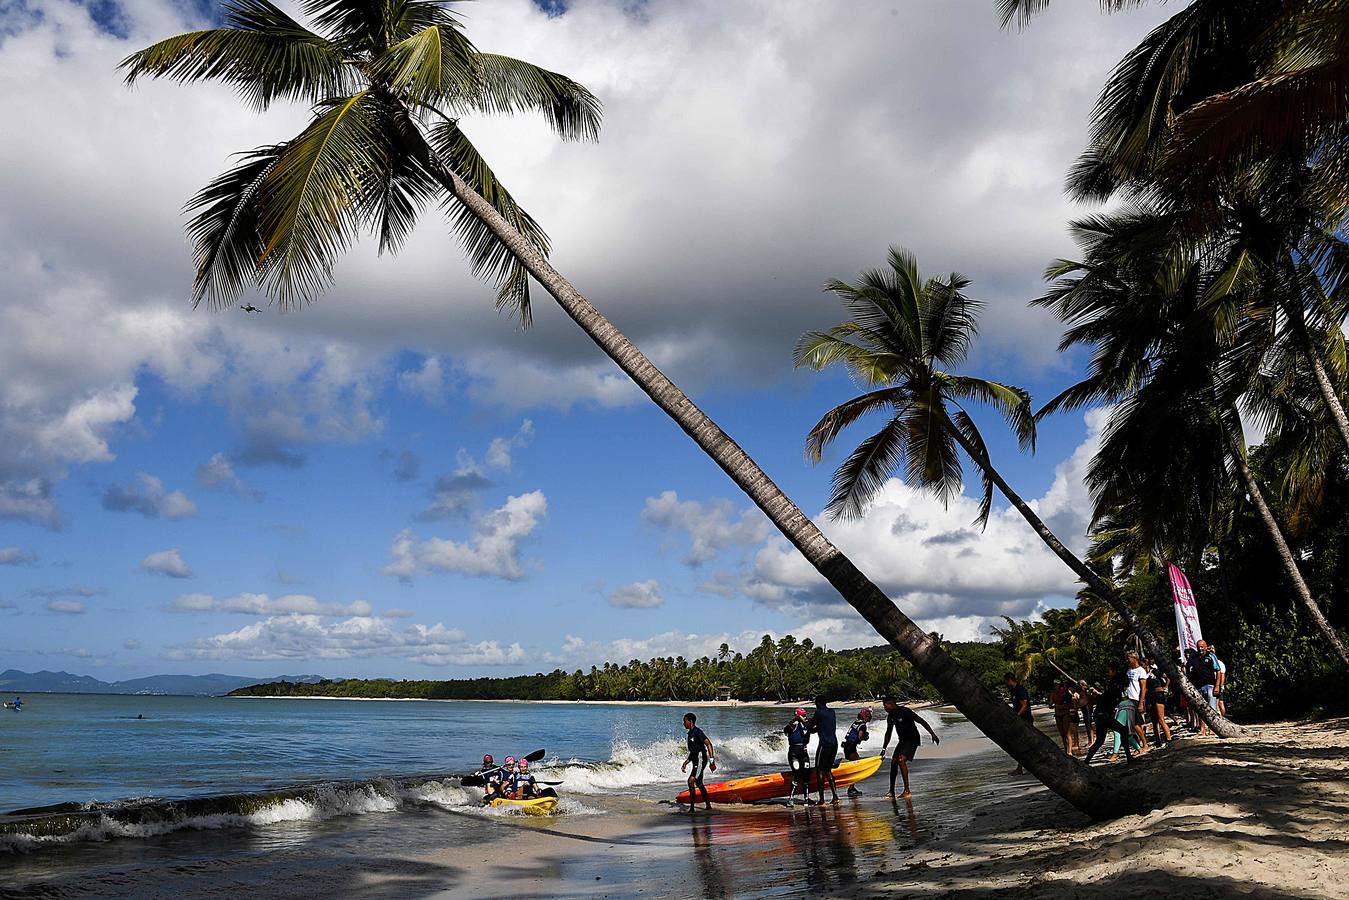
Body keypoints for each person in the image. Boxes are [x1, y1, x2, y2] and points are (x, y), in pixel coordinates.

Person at [879, 696, 939, 799]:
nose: (885, 708)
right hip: (902, 741)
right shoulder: (891, 716)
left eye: (885, 706)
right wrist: (884, 748)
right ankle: (891, 791)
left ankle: (907, 790)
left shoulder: (905, 711)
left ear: (892, 703)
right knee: (893, 762)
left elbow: (921, 721)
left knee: (901, 760)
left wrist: (932, 734)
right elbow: (888, 733)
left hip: (912, 739)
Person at [1083, 662, 1134, 765]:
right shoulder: (1115, 689)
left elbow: (1105, 698)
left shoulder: (1113, 688)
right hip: (1103, 715)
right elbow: (1108, 698)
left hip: (1100, 715)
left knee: (1100, 741)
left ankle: (1086, 761)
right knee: (1123, 731)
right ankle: (1129, 757)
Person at [806, 697, 840, 804]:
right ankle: (835, 797)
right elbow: (823, 726)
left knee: (819, 770)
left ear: (818, 703)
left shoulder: (819, 713)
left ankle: (821, 800)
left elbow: (810, 726)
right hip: (834, 743)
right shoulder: (832, 712)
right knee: (827, 770)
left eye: (816, 703)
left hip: (824, 745)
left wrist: (801, 720)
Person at [681, 712, 715, 812]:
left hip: (701, 759)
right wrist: (686, 762)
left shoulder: (698, 732)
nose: (683, 723)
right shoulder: (690, 734)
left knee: (691, 781)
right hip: (696, 759)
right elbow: (693, 751)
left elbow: (709, 744)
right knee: (699, 783)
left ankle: (692, 809)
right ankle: (708, 806)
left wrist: (711, 761)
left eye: (685, 721)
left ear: (690, 721)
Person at [1004, 674, 1033, 775]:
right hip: (1021, 719)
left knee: (1024, 744)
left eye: (1006, 681)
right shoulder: (1014, 691)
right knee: (1021, 744)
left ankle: (1020, 768)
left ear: (1010, 680)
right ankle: (1020, 767)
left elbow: (1024, 705)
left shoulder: (1019, 690)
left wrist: (1017, 717)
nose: (1006, 684)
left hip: (1025, 720)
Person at [842, 707, 872, 796]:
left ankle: (852, 788)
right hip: (851, 747)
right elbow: (860, 737)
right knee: (856, 768)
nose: (870, 718)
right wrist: (866, 737)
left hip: (847, 746)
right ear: (865, 717)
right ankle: (851, 789)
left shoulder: (856, 722)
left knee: (854, 766)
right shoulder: (862, 725)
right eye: (869, 717)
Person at [783, 707, 811, 804]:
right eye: (803, 715)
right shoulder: (792, 725)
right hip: (794, 753)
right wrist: (795, 720)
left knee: (806, 774)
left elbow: (814, 728)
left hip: (804, 753)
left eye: (805, 715)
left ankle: (806, 798)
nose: (805, 717)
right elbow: (785, 730)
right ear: (797, 715)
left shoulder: (807, 724)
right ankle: (790, 799)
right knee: (797, 775)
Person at [1124, 651, 1150, 755]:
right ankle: (1138, 746)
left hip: (1135, 698)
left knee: (1136, 724)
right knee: (1131, 725)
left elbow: (1143, 688)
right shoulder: (1129, 670)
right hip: (1128, 698)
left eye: (1128, 658)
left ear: (1134, 658)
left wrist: (1141, 702)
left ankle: (1145, 744)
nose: (1127, 660)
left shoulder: (1141, 671)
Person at [1144, 656, 1172, 746]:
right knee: (1154, 720)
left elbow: (1168, 678)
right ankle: (1158, 740)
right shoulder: (1143, 675)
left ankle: (1168, 738)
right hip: (1149, 697)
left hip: (1158, 696)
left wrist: (1165, 688)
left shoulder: (1155, 672)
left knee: (1161, 719)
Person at [1049, 680, 1079, 755]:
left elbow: (1070, 705)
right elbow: (1050, 705)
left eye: (1057, 684)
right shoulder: (1053, 693)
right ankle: (1066, 750)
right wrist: (1053, 705)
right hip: (1057, 714)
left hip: (1065, 714)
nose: (1056, 686)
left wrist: (1059, 706)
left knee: (1067, 733)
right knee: (1062, 734)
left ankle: (1069, 752)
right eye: (1055, 684)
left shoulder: (1066, 693)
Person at [1211, 644, 1228, 716]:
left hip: (1218, 685)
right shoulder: (1213, 663)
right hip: (1214, 685)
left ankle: (1223, 718)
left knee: (1219, 703)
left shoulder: (1219, 663)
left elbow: (1222, 675)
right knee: (1218, 703)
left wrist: (1220, 686)